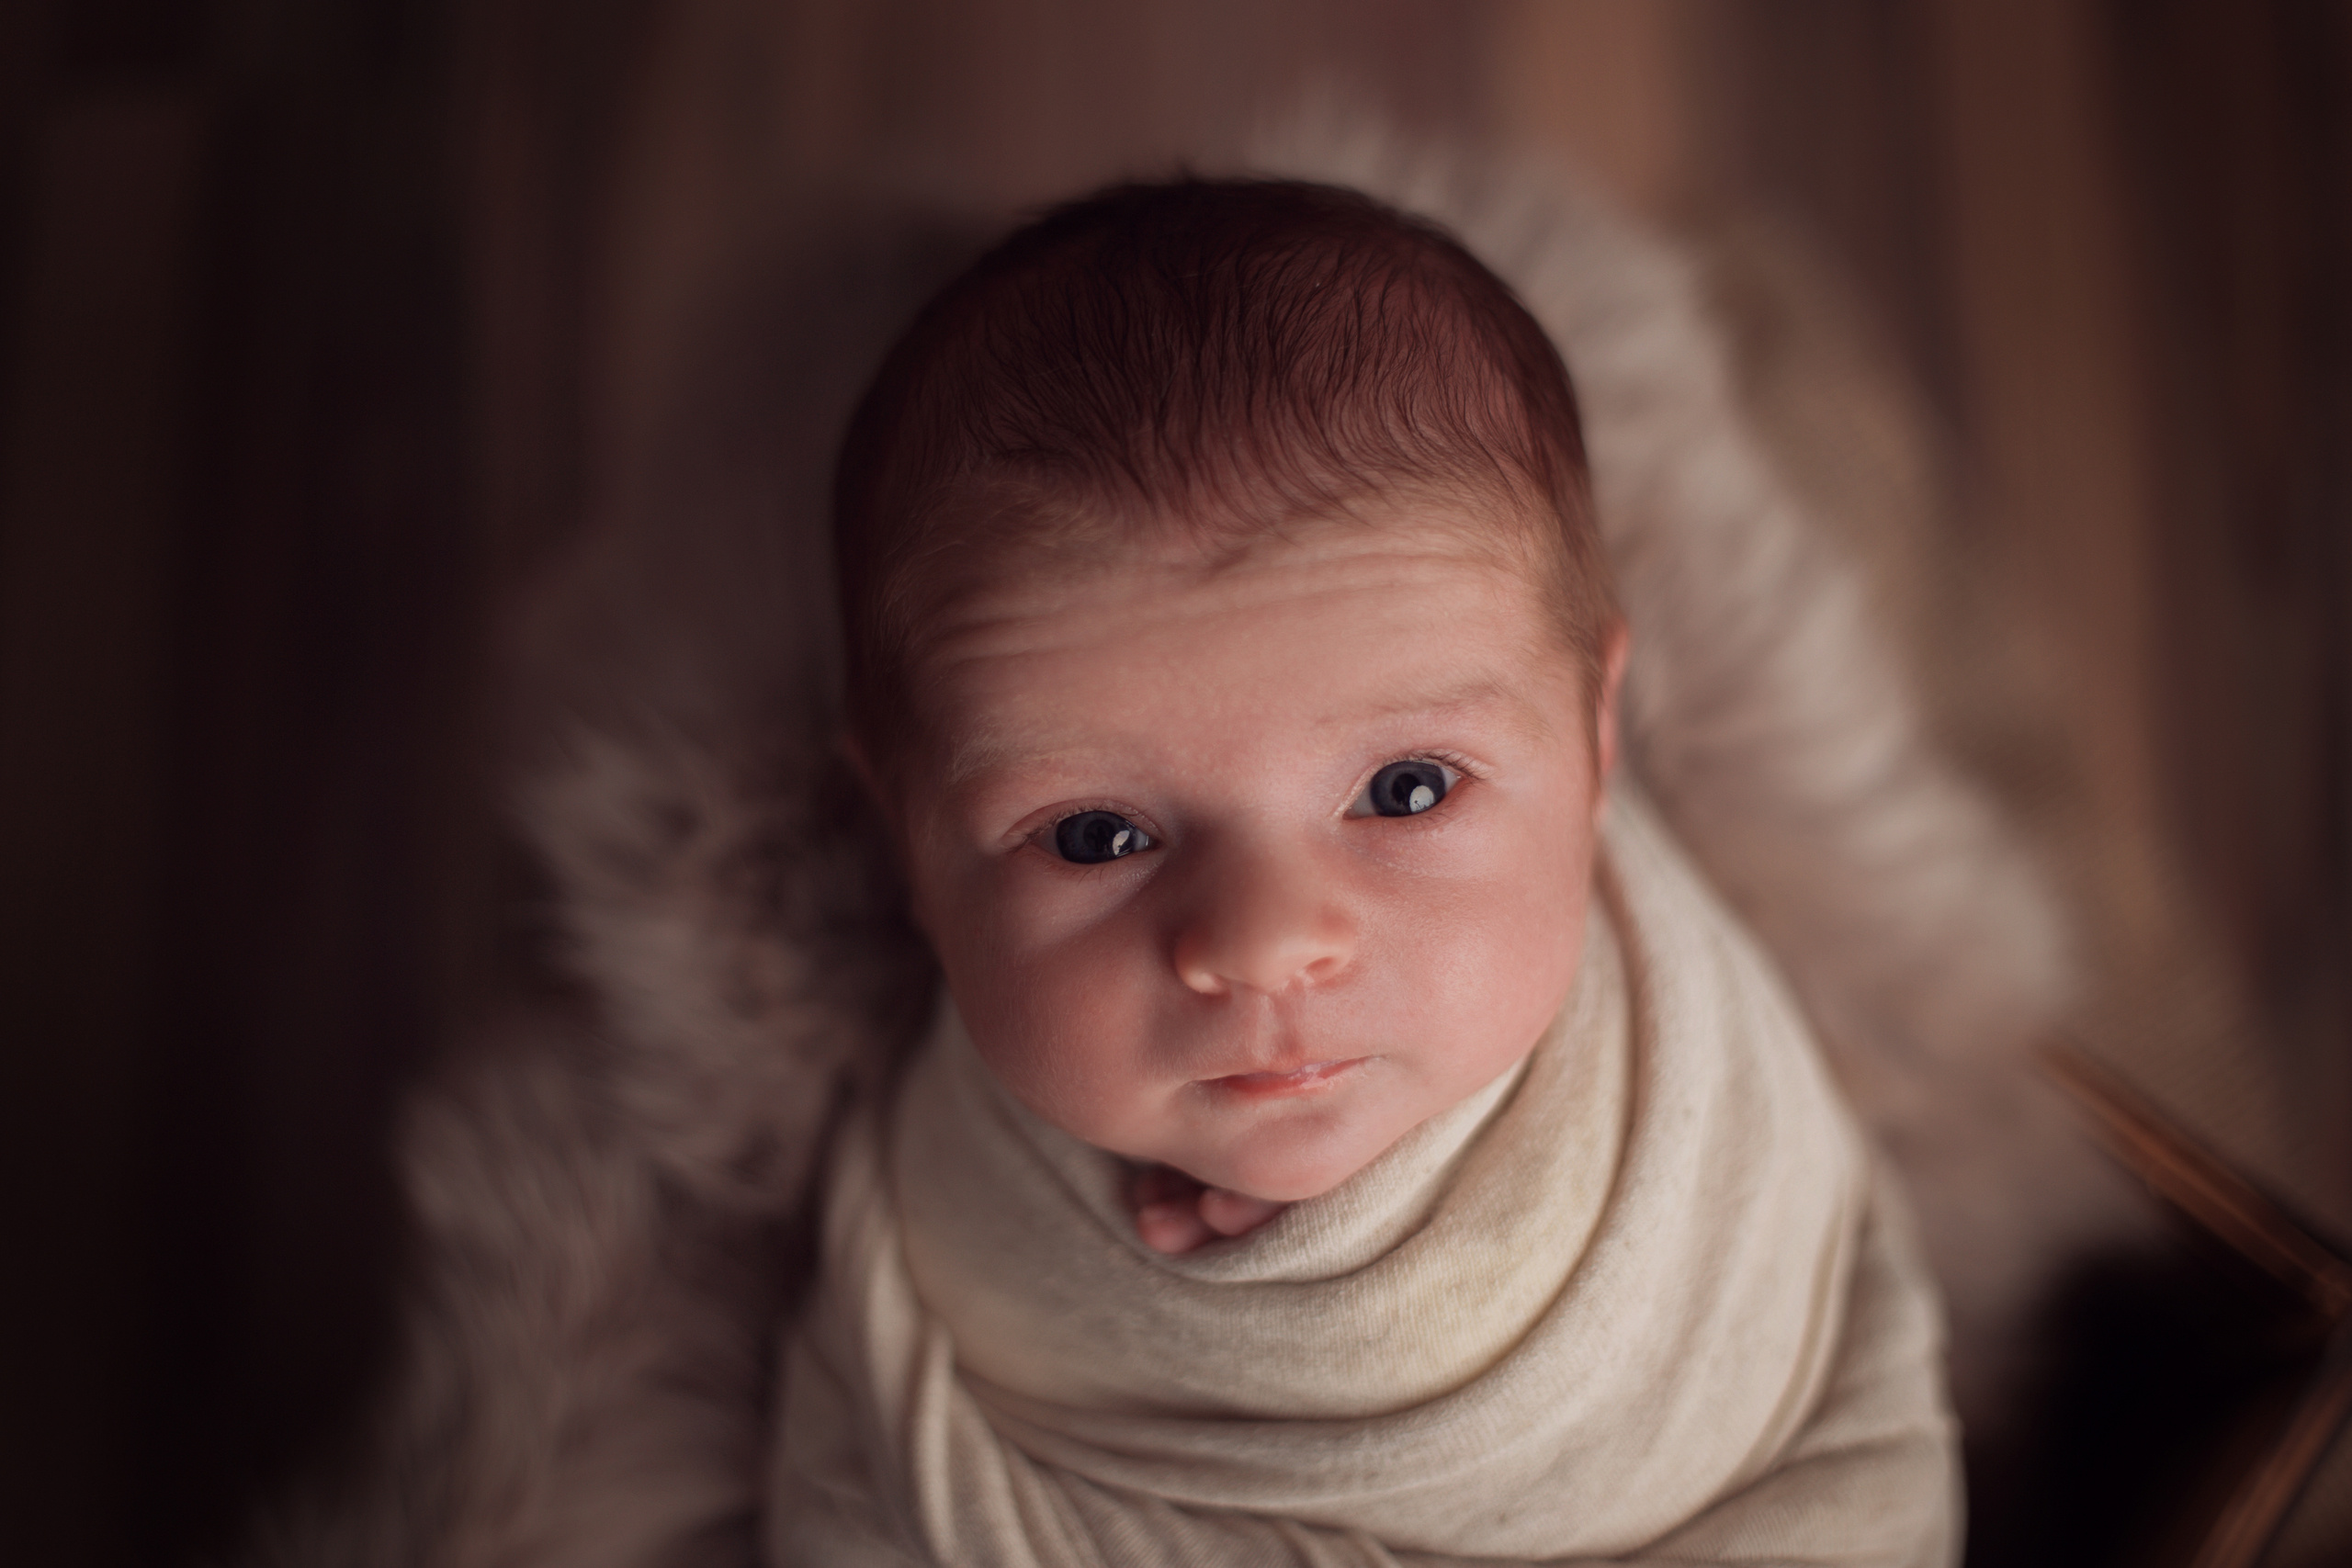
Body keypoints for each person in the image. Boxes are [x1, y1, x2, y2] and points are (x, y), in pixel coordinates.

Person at [771, 176, 1959, 1565]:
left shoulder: (1684, 1079)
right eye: (1097, 835)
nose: (1267, 944)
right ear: (905, 836)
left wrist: (1390, 1261)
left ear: (1592, 739)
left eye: (1405, 791)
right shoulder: (943, 1186)